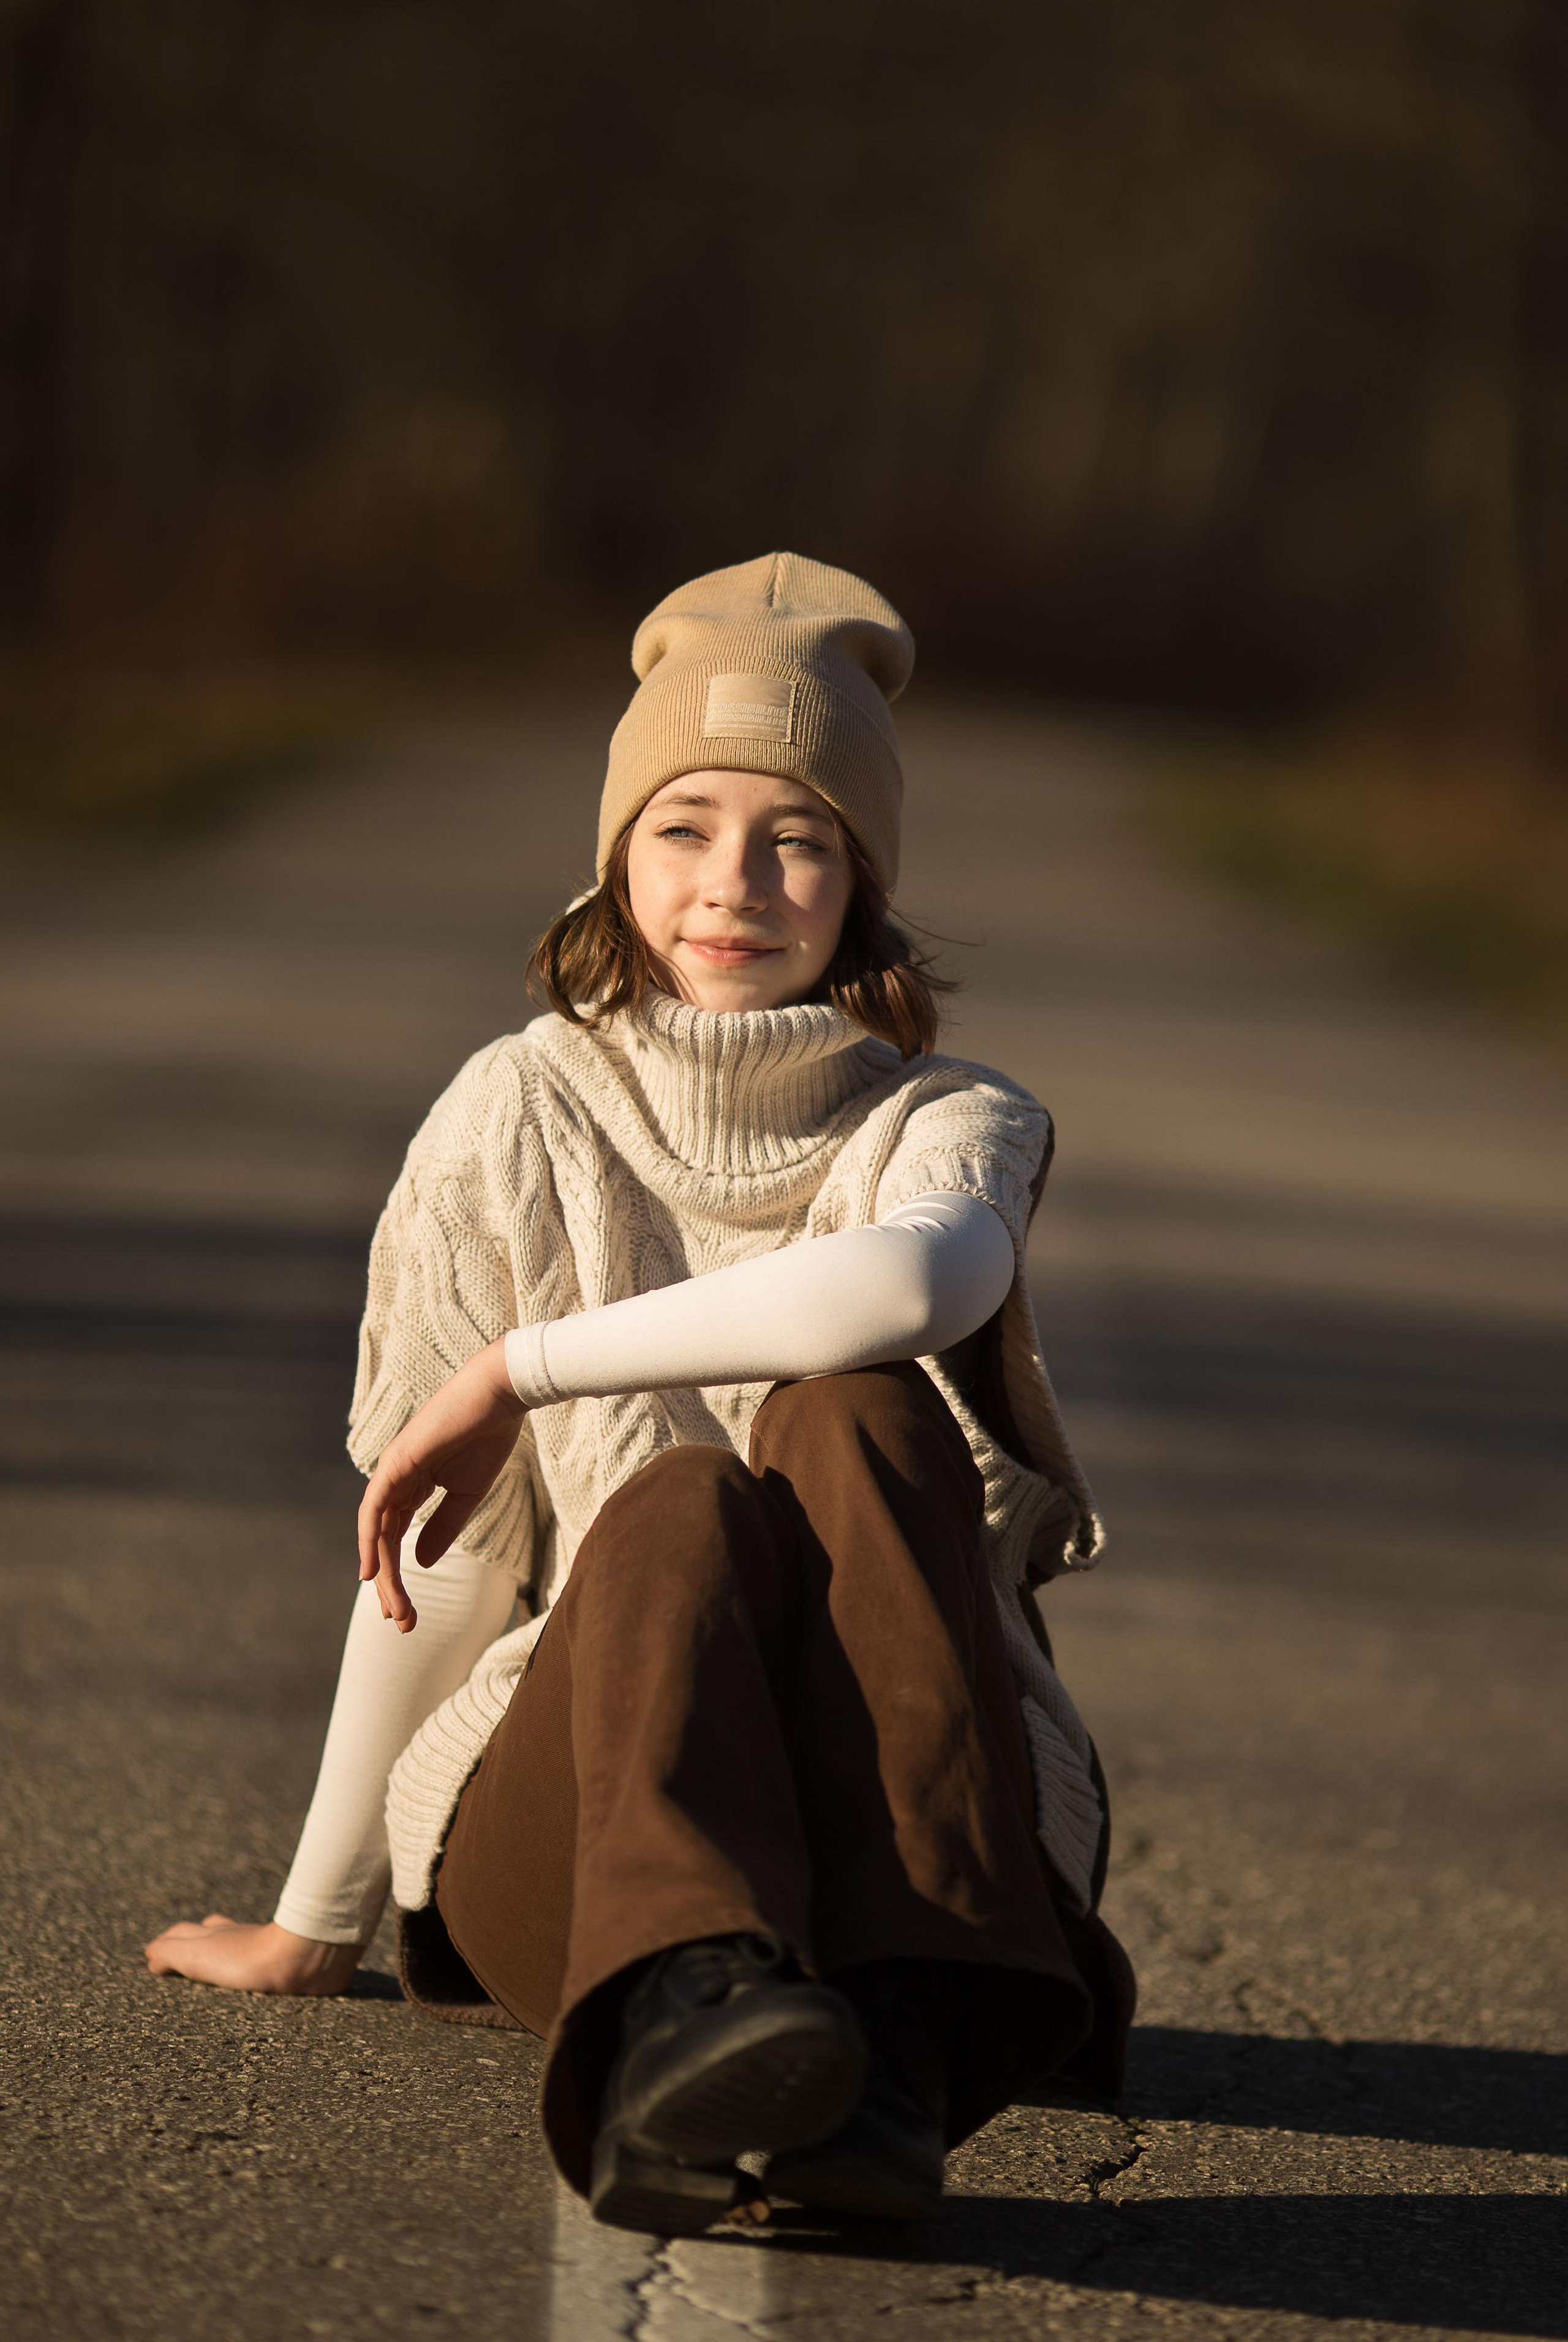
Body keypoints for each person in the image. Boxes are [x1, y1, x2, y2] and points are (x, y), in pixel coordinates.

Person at [146, 552, 1134, 2235]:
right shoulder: (513, 1112)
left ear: (860, 884)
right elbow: (436, 1556)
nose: (733, 882)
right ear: (616, 859)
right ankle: (698, 2004)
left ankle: (879, 2062)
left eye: (796, 837)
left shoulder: (955, 1121)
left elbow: (912, 1287)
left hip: (926, 1839)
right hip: (589, 1818)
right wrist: (315, 1922)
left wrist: (522, 1372)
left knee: (860, 1406)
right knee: (671, 1501)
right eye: (685, 825)